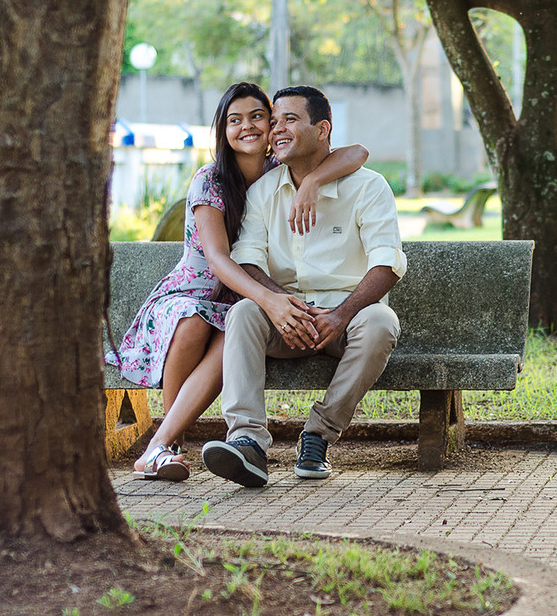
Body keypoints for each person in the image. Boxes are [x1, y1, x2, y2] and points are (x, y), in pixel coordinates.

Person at [105, 82, 368, 481]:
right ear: (222, 130)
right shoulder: (210, 180)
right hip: (193, 294)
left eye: (257, 116)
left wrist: (312, 182)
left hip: (239, 302)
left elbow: (358, 153)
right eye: (234, 120)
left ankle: (159, 446)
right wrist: (269, 299)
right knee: (194, 319)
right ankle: (166, 447)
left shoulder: (280, 170)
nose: (246, 126)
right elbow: (218, 259)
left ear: (272, 124)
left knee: (232, 325)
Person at [201, 85, 405, 487]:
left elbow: (387, 263)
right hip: (285, 317)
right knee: (243, 312)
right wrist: (279, 304)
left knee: (382, 322)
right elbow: (247, 260)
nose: (276, 129)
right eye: (274, 121)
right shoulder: (262, 192)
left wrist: (342, 314)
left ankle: (317, 435)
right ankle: (247, 442)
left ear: (323, 129)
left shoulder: (368, 187)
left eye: (290, 120)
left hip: (347, 316)